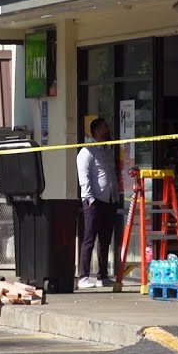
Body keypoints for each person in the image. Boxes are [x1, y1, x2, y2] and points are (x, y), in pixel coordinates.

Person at [77, 117, 119, 289]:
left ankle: (102, 275)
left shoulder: (107, 151)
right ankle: (83, 276)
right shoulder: (87, 152)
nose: (107, 130)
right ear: (95, 131)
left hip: (110, 200)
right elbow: (84, 177)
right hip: (94, 202)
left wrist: (115, 196)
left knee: (105, 239)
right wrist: (90, 199)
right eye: (104, 128)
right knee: (89, 238)